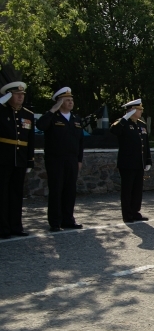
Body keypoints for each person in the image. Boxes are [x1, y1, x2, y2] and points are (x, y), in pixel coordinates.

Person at [36, 87, 84, 231]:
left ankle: (68, 220)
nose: (71, 102)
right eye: (67, 100)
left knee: (70, 191)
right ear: (60, 102)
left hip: (72, 160)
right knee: (56, 190)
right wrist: (52, 110)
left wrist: (79, 160)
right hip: (55, 160)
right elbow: (40, 125)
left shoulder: (76, 119)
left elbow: (80, 142)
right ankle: (55, 222)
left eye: (72, 100)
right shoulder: (53, 117)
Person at [0, 81, 35, 238]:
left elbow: (30, 140)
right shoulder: (2, 111)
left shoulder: (27, 114)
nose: (21, 97)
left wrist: (29, 160)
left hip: (20, 159)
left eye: (22, 94)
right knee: (2, 194)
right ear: (9, 96)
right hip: (3, 158)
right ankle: (3, 228)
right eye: (17, 94)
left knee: (16, 194)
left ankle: (16, 226)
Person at [110, 99, 152, 223]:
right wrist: (124, 118)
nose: (141, 111)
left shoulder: (141, 124)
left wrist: (148, 160)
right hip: (127, 163)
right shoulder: (122, 123)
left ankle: (135, 211)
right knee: (127, 190)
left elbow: (146, 144)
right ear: (131, 110)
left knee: (137, 190)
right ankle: (127, 214)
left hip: (139, 162)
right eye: (139, 109)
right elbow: (114, 131)